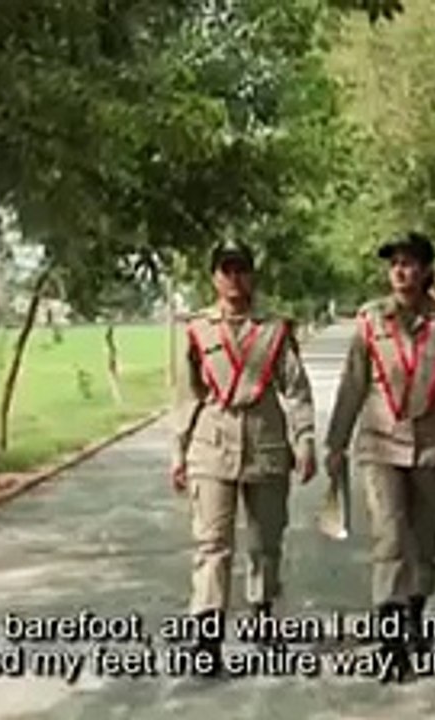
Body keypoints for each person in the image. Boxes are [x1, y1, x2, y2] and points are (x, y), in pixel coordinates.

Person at [323, 231, 435, 681]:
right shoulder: (370, 320)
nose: (400, 271)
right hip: (379, 444)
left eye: (410, 263)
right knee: (390, 538)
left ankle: (414, 616)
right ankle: (391, 640)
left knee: (424, 541)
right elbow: (353, 383)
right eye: (394, 263)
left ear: (428, 270)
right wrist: (334, 444)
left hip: (432, 447)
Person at [170, 241, 318, 673]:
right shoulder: (198, 329)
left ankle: (263, 619)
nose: (234, 278)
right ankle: (207, 637)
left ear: (252, 275)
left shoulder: (274, 330)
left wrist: (305, 439)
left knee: (264, 542)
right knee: (212, 544)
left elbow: (296, 389)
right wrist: (177, 453)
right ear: (214, 277)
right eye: (226, 270)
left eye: (241, 270)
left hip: (266, 445)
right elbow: (185, 396)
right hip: (210, 446)